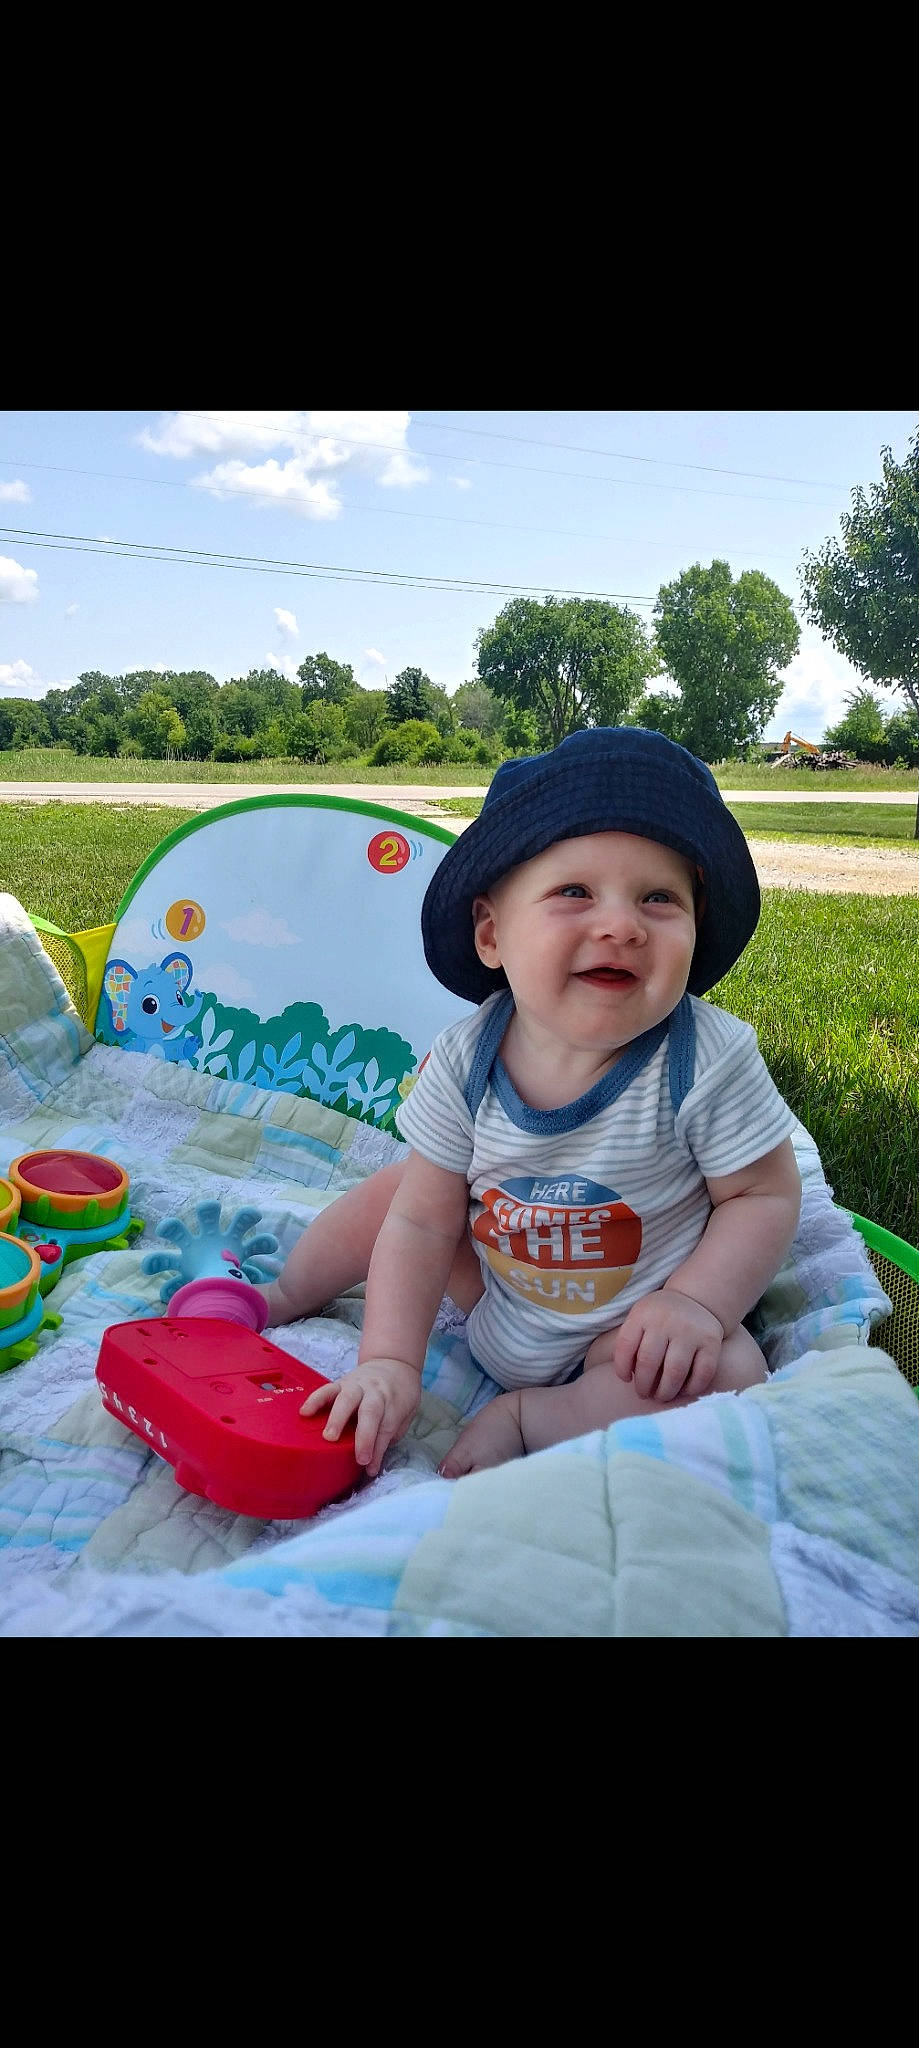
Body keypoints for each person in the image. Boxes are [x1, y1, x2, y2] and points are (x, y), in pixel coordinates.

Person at [257, 727, 802, 1480]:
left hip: (626, 1340)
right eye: (574, 892)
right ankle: (288, 1291)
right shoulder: (465, 1059)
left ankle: (532, 1419)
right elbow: (421, 1227)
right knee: (409, 1195)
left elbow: (762, 1195)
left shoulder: (705, 1058)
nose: (621, 925)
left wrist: (697, 1306)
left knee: (735, 1371)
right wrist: (388, 1360)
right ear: (491, 934)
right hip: (494, 1293)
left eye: (658, 898)